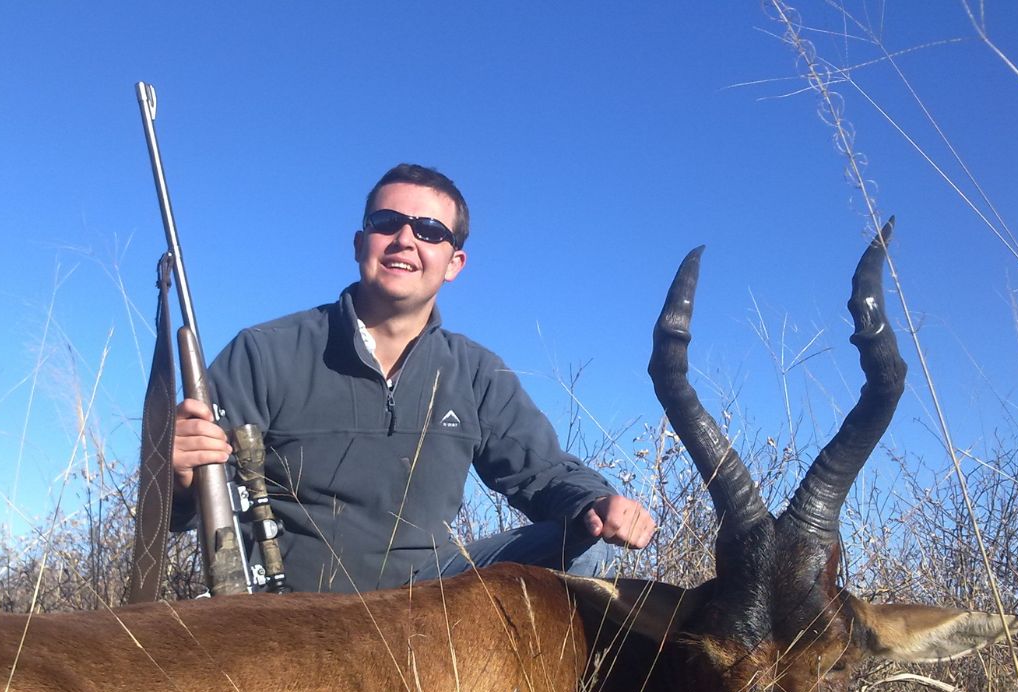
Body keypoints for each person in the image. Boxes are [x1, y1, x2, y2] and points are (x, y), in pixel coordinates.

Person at [171, 164, 655, 594]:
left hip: (425, 602)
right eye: (386, 222)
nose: (405, 239)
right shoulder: (265, 350)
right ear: (359, 244)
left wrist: (596, 501)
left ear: (454, 264)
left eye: (429, 230)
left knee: (587, 542)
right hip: (299, 610)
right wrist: (178, 475)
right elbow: (195, 504)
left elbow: (544, 474)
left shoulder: (475, 371)